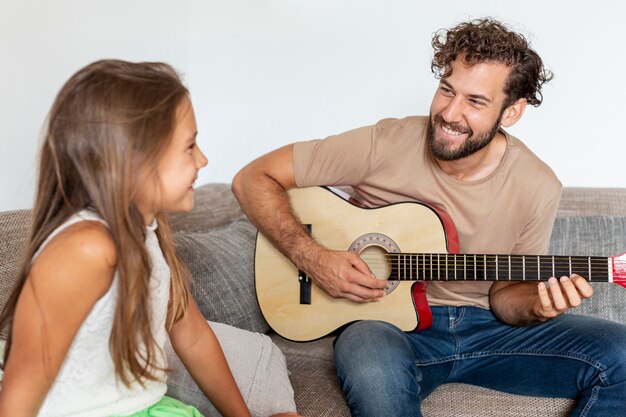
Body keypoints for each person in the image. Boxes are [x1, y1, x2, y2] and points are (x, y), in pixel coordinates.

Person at [231, 18, 626, 416]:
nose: (450, 113)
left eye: (475, 101)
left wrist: (537, 306)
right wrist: (312, 257)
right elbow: (252, 178)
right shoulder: (383, 143)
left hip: (486, 331)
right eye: (446, 90)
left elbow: (506, 297)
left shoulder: (538, 185)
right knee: (369, 358)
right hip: (387, 328)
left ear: (512, 112)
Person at [0, 60, 300, 417]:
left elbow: (193, 335)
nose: (203, 160)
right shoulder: (84, 249)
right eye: (190, 146)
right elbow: (19, 395)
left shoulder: (147, 232)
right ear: (134, 161)